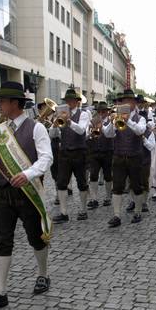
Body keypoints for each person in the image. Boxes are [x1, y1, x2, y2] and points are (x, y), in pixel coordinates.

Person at [0, 81, 53, 310]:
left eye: (2, 101)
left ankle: (43, 274)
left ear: (14, 103)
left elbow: (46, 158)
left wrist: (28, 174)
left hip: (27, 193)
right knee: (2, 241)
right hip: (3, 193)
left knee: (36, 237)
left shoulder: (36, 128)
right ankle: (0, 292)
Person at [103, 89, 148, 227]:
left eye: (130, 101)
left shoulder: (141, 118)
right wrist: (112, 123)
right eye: (124, 101)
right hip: (119, 156)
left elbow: (140, 131)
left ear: (134, 103)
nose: (127, 103)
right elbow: (108, 135)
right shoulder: (116, 117)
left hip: (135, 156)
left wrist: (127, 120)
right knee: (117, 187)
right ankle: (116, 215)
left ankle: (138, 212)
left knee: (136, 186)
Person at [53, 88, 91, 224]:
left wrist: (68, 121)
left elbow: (81, 131)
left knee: (81, 182)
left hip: (79, 152)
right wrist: (54, 124)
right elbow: (54, 135)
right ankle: (63, 213)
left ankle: (83, 210)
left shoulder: (84, 114)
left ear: (77, 101)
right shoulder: (60, 115)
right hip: (64, 152)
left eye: (71, 100)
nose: (69, 102)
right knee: (61, 182)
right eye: (67, 100)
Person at [86, 102, 114, 209]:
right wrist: (91, 133)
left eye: (103, 111)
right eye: (99, 112)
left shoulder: (112, 121)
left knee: (107, 175)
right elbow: (87, 136)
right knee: (93, 175)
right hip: (95, 151)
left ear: (107, 112)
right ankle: (94, 199)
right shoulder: (93, 121)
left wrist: (102, 127)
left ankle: (108, 197)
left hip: (107, 151)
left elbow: (110, 134)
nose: (101, 113)